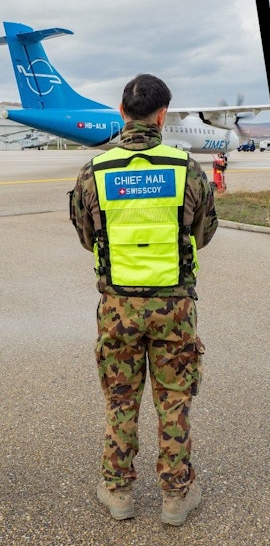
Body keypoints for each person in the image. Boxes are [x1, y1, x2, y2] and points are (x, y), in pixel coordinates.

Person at [69, 73, 217, 525]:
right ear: (162, 116)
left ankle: (118, 492)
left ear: (121, 112)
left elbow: (86, 236)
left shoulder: (94, 172)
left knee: (120, 399)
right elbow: (204, 233)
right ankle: (175, 496)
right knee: (174, 400)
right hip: (175, 307)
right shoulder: (187, 169)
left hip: (117, 308)